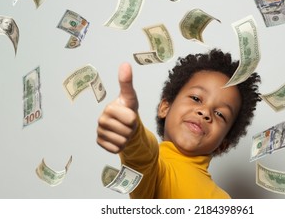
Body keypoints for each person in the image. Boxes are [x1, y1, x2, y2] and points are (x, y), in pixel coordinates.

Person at [97, 49, 261, 198]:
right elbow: (143, 158)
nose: (205, 112)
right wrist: (133, 133)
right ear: (165, 108)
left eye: (220, 114)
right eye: (196, 98)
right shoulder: (157, 170)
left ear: (223, 144)